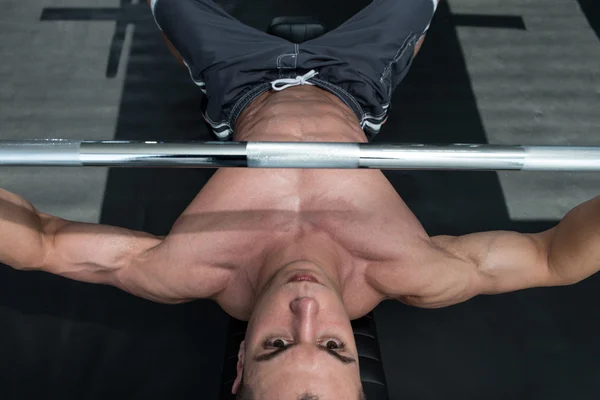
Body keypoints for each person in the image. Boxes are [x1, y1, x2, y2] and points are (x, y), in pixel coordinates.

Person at [1, 0, 599, 399]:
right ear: (360, 375)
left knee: (172, 5)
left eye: (276, 344)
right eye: (336, 346)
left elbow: (41, 243)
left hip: (241, 87)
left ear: (239, 368)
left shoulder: (186, 268)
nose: (306, 307)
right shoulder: (416, 270)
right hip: (351, 85)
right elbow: (553, 259)